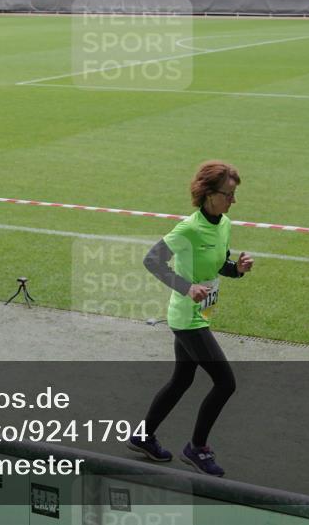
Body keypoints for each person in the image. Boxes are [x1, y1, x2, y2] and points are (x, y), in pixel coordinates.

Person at [126, 161, 253, 477]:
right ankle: (197, 448)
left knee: (181, 380)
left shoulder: (224, 224)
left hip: (201, 315)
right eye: (228, 194)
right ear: (209, 194)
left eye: (234, 194)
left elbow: (218, 264)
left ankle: (143, 436)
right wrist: (186, 287)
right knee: (225, 383)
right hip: (187, 318)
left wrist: (237, 269)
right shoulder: (189, 228)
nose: (233, 201)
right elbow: (152, 260)